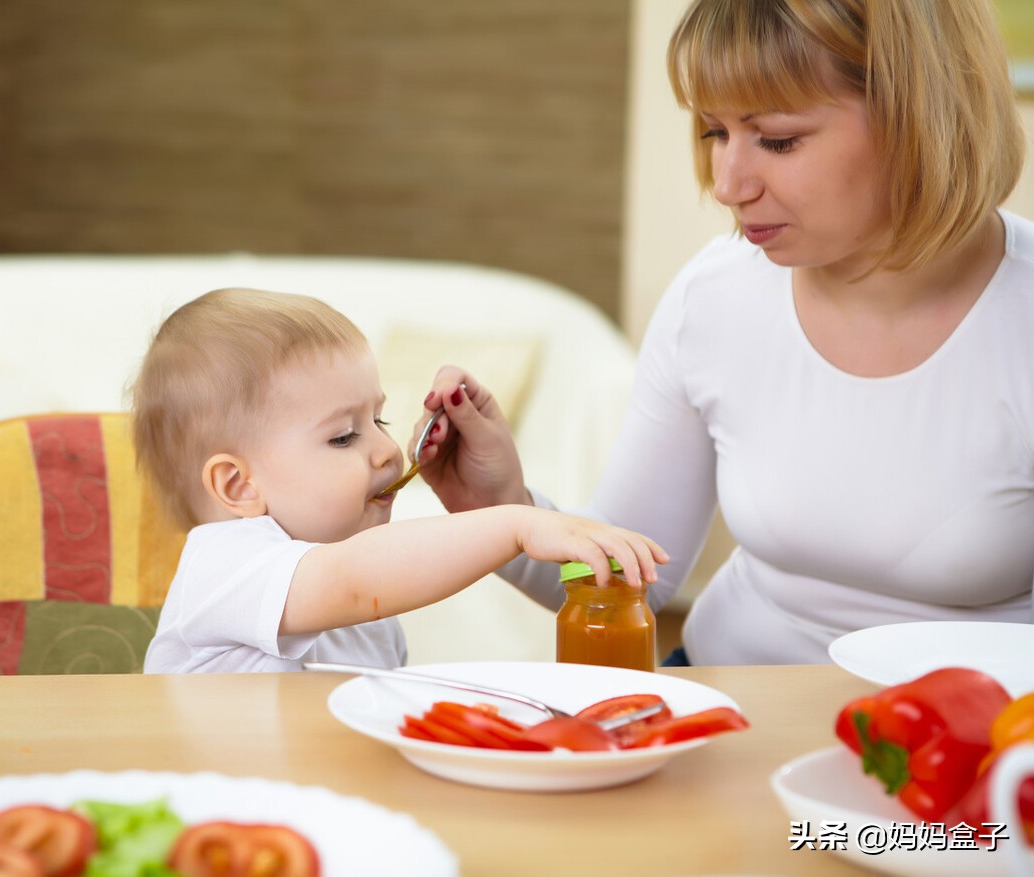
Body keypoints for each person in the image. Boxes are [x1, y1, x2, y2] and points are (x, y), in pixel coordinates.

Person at [409, 0, 1033, 665]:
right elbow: (625, 585)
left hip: (965, 743)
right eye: (714, 133)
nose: (729, 184)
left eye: (778, 139)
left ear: (917, 120)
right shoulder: (715, 297)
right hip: (724, 709)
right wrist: (504, 508)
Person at [132, 287, 667, 673]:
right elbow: (354, 580)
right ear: (238, 486)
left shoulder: (369, 625)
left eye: (379, 421)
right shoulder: (223, 563)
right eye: (344, 437)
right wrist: (516, 525)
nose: (387, 450)